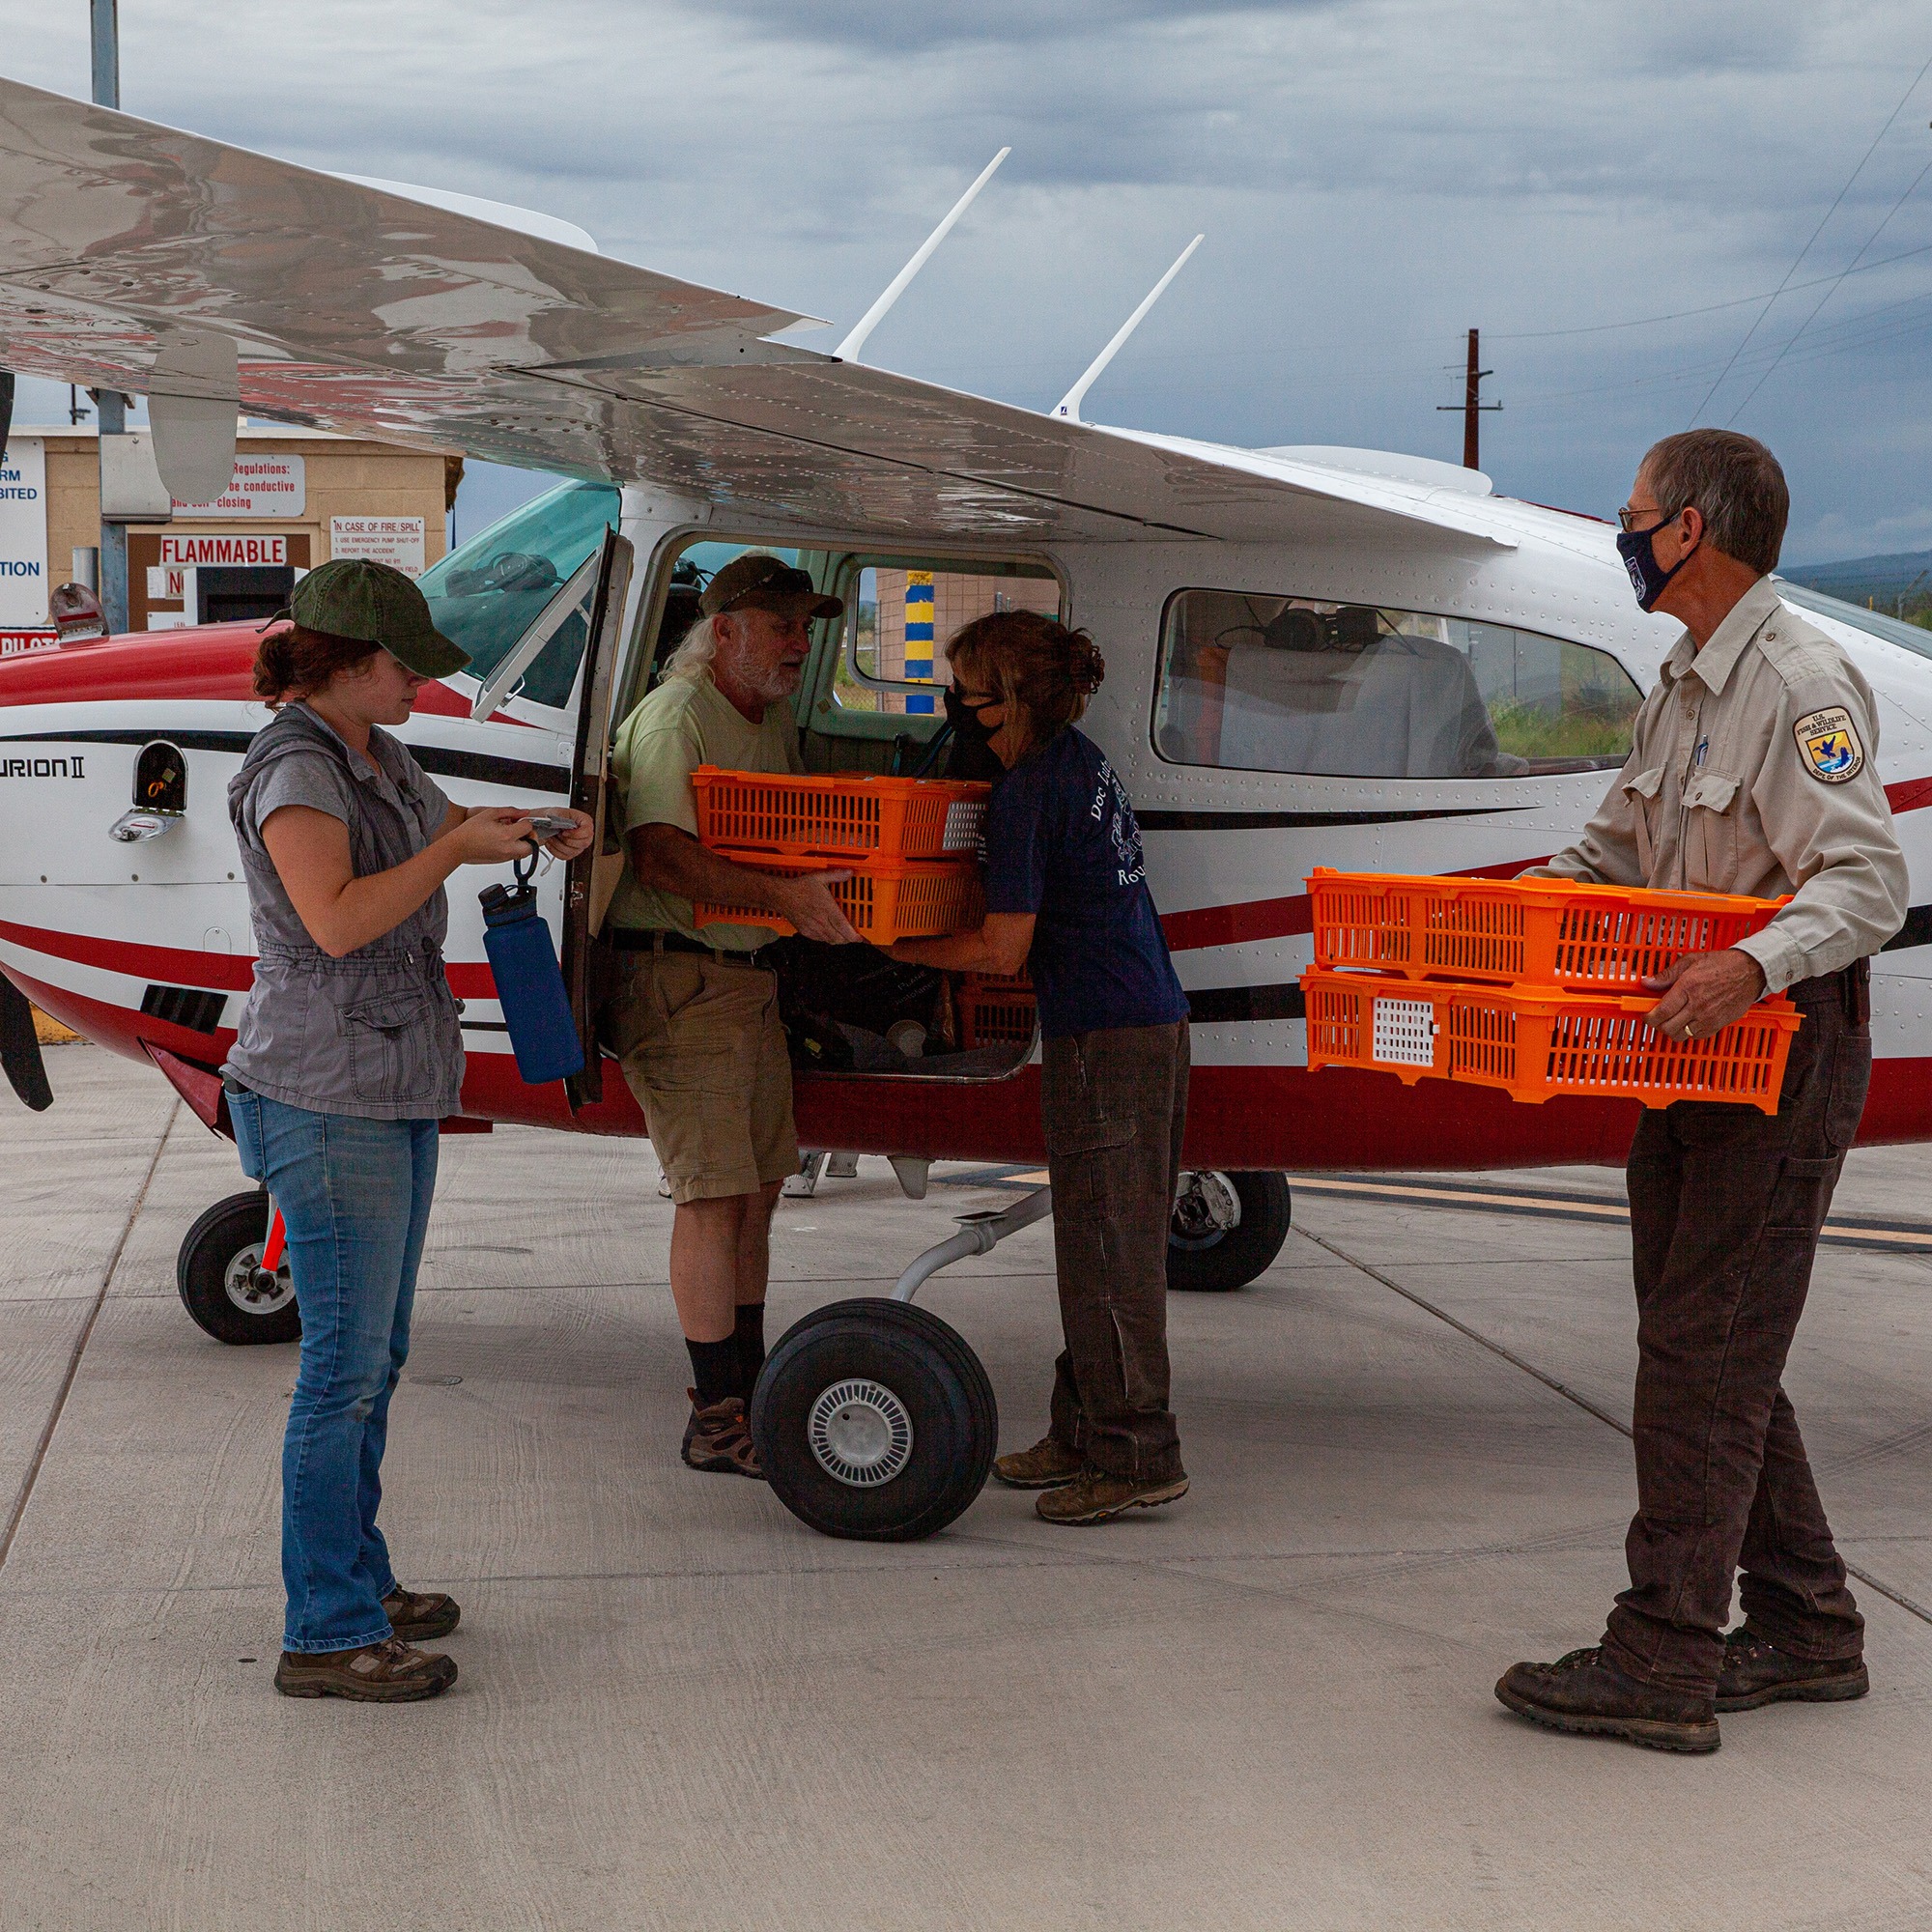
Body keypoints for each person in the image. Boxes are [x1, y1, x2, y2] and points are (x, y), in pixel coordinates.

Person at [1494, 431, 1909, 1753]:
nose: (1620, 534)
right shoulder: (1682, 684)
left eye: (1631, 515)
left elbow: (1866, 883)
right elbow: (1614, 848)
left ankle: (1664, 1652)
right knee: (1708, 1338)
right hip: (1693, 1051)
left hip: (1778, 1042)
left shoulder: (1799, 684)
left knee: (1699, 1350)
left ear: (1689, 528)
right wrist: (1503, 913)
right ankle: (1804, 1626)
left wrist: (1747, 960)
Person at [223, 558, 592, 1701]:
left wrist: (530, 825)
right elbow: (334, 922)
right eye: (407, 666)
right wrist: (450, 853)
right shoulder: (294, 768)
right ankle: (325, 1632)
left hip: (387, 1083)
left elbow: (451, 827)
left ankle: (357, 1579)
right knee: (338, 1371)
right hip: (326, 1093)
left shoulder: (373, 753)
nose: (425, 683)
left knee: (373, 1360)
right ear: (346, 662)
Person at [892, 610, 1193, 1525]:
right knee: (1099, 1242)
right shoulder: (1080, 761)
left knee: (1107, 1254)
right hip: (1146, 1022)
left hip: (1104, 1038)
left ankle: (1138, 1454)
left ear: (1014, 699)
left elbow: (1000, 949)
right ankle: (1081, 1431)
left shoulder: (1028, 792)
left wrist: (899, 943)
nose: (960, 713)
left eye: (971, 696)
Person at [600, 553, 856, 1478]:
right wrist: (787, 902)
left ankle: (749, 1389)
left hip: (746, 978)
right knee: (712, 1198)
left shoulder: (771, 717)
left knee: (758, 1191)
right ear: (726, 633)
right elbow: (663, 859)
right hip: (681, 978)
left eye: (805, 625)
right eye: (783, 626)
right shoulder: (677, 718)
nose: (800, 643)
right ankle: (716, 1419)